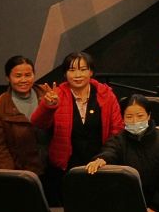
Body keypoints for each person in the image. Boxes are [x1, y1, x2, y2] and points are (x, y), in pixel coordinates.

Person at [32, 52, 124, 200]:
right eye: (72, 70)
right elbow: (39, 123)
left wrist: (106, 157)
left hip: (100, 165)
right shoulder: (56, 94)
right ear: (65, 74)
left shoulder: (106, 95)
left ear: (91, 72)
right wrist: (48, 106)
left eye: (83, 69)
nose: (77, 75)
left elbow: (117, 131)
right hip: (65, 168)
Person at [86, 95, 159, 212]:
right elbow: (110, 150)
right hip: (123, 203)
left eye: (140, 116)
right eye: (129, 117)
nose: (135, 121)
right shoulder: (118, 139)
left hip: (155, 205)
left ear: (149, 116)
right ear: (123, 118)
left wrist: (155, 207)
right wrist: (102, 158)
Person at [0, 56, 47, 175]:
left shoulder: (48, 95)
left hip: (51, 169)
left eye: (28, 75)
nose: (23, 80)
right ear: (8, 78)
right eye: (18, 76)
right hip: (19, 171)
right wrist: (12, 174)